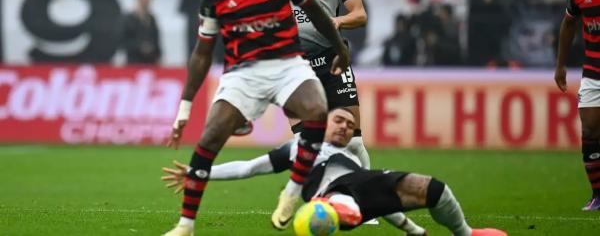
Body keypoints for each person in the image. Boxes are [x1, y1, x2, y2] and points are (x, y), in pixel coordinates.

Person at [162, 0, 350, 236]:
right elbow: (202, 52)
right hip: (243, 75)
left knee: (317, 111)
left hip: (287, 64)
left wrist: (339, 47)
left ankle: (291, 193)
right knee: (208, 140)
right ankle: (185, 226)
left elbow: (317, 13)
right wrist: (184, 107)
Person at [162, 108, 507, 236]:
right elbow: (249, 168)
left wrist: (414, 231)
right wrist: (200, 174)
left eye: (349, 125)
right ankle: (324, 214)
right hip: (332, 192)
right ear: (324, 122)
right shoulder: (299, 147)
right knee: (343, 200)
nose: (344, 128)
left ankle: (466, 233)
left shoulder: (354, 156)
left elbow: (385, 206)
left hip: (360, 186)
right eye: (339, 121)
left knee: (433, 188)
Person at [256, 0, 371, 169]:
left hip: (333, 61)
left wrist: (335, 21)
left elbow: (359, 14)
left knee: (353, 142)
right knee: (310, 144)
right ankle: (322, 199)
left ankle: (368, 202)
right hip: (294, 68)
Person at [555, 0, 600, 211]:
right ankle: (598, 195)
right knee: (591, 132)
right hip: (593, 72)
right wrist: (560, 64)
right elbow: (568, 25)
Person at [122, 0, 162, 64]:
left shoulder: (151, 18)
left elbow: (156, 38)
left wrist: (158, 53)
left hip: (150, 59)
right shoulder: (129, 18)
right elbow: (125, 39)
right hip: (134, 59)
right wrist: (140, 47)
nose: (146, 1)